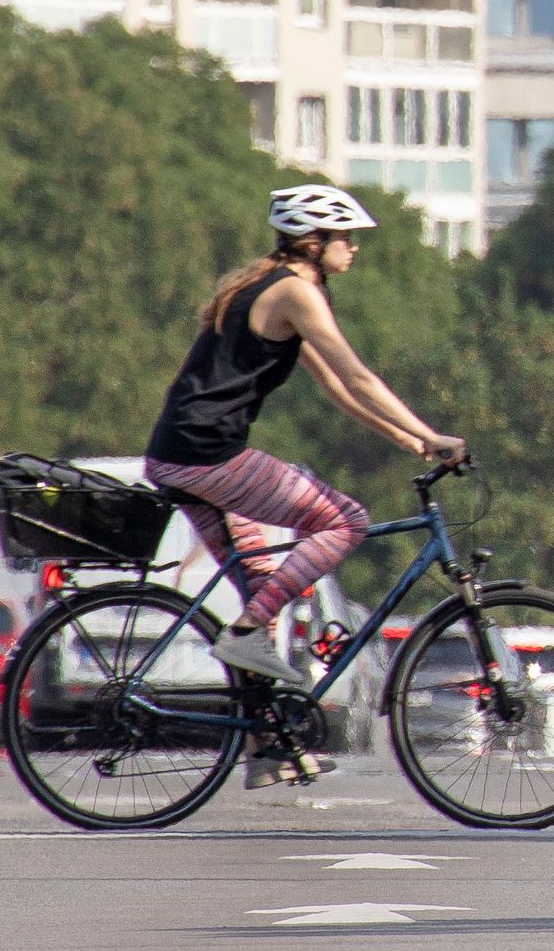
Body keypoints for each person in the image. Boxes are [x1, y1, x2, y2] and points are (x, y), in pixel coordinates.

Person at [146, 186, 466, 705]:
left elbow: (335, 388)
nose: (354, 246)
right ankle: (246, 635)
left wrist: (408, 440)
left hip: (180, 453)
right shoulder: (294, 293)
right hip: (208, 455)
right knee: (346, 521)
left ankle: (265, 745)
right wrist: (432, 434)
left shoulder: (275, 287)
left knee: (260, 580)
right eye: (345, 236)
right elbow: (357, 376)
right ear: (313, 241)